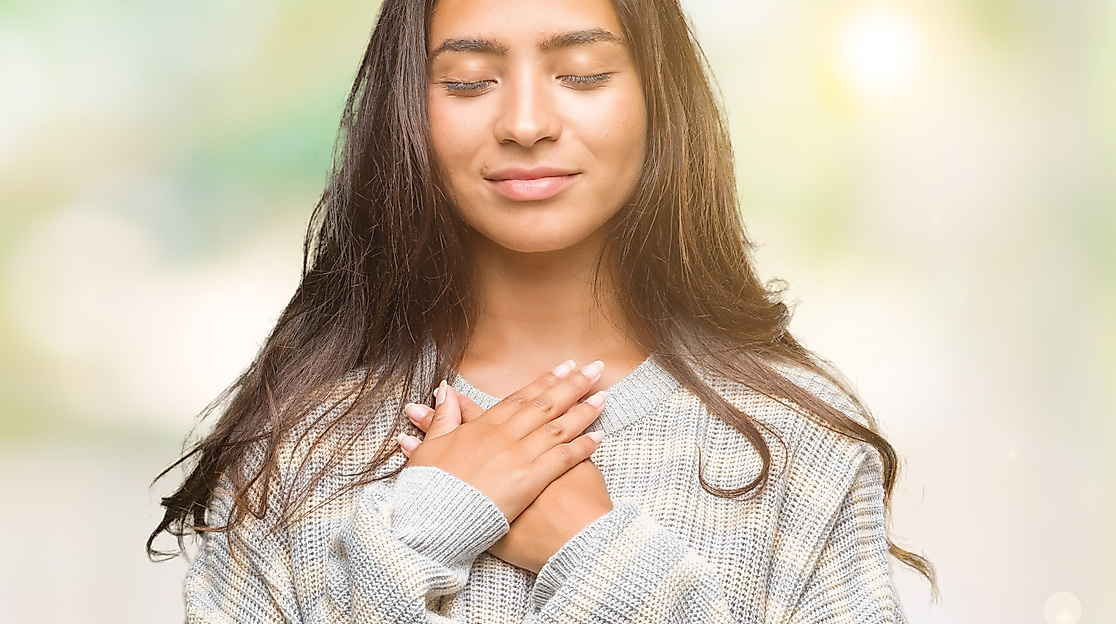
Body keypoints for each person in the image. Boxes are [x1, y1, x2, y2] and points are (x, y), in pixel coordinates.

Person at [149, 0, 934, 621]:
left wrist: (598, 554)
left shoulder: (798, 446)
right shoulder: (299, 448)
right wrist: (419, 528)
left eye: (583, 74)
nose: (526, 123)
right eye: (466, 81)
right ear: (406, 111)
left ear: (660, 98)